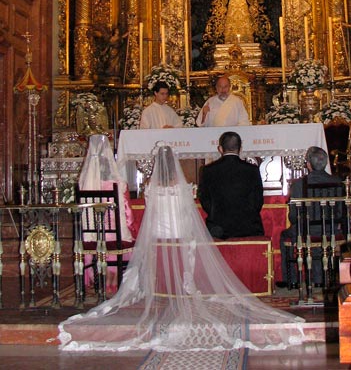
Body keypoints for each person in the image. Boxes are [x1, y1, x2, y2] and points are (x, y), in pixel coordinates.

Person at [59, 143, 305, 352]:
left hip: (157, 235)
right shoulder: (183, 188)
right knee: (193, 235)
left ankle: (151, 283)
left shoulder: (150, 189)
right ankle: (189, 280)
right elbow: (189, 215)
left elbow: (143, 216)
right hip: (179, 233)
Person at [277, 146, 345, 289]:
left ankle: (293, 281)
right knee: (320, 236)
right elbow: (340, 213)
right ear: (326, 163)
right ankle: (322, 279)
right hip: (331, 230)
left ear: (308, 164)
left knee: (284, 236)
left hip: (305, 231)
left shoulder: (298, 185)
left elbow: (294, 216)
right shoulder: (338, 182)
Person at [78, 134, 137, 291]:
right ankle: (113, 277)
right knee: (120, 237)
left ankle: (97, 277)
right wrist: (132, 229)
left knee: (102, 238)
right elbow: (127, 214)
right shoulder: (118, 184)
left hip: (90, 235)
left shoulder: (84, 184)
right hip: (113, 236)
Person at [198, 131, 264, 239]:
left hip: (218, 228)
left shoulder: (208, 170)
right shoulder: (252, 170)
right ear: (240, 148)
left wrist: (216, 214)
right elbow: (258, 201)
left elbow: (204, 199)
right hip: (248, 228)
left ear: (220, 149)